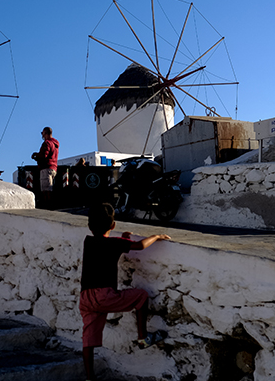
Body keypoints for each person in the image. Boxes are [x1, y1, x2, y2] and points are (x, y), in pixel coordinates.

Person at [79, 203, 170, 380]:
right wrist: (156, 236)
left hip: (85, 297)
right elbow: (140, 246)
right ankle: (143, 337)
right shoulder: (114, 244)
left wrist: (123, 239)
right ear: (113, 225)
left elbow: (107, 246)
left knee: (88, 338)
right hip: (104, 296)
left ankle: (89, 377)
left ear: (89, 226)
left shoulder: (88, 242)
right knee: (141, 296)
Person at [31, 127, 59, 205]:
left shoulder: (47, 143)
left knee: (46, 190)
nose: (42, 135)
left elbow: (44, 155)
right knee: (49, 187)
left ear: (45, 133)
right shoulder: (55, 143)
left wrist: (35, 155)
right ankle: (49, 204)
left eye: (42, 133)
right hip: (54, 168)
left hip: (46, 168)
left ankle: (47, 206)